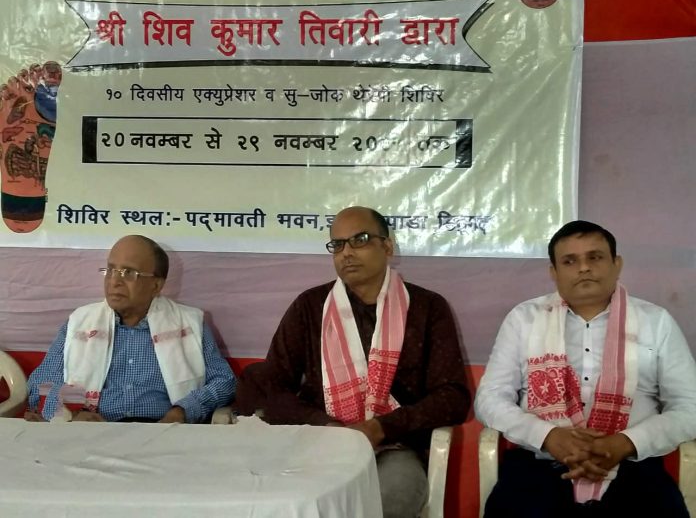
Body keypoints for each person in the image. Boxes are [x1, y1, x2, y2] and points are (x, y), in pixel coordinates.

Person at [235, 206, 470, 518]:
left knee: (383, 501)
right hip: (318, 444)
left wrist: (379, 428)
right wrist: (326, 426)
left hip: (395, 448)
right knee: (287, 504)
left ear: (388, 246)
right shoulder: (310, 307)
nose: (346, 252)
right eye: (338, 244)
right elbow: (271, 385)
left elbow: (452, 396)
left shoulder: (427, 308)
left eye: (359, 240)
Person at [475, 220, 696, 517]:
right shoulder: (524, 319)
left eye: (595, 257)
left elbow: (689, 407)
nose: (584, 268)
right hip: (541, 463)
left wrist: (626, 442)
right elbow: (489, 399)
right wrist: (548, 436)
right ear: (553, 272)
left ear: (617, 264)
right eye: (570, 261)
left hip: (633, 465)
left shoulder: (656, 322)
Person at [26, 235, 236, 423]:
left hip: (165, 433)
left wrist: (183, 411)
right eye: (110, 270)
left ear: (156, 285)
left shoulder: (189, 323)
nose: (114, 281)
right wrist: (73, 414)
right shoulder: (80, 322)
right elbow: (41, 384)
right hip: (93, 433)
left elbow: (224, 382)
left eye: (128, 273)